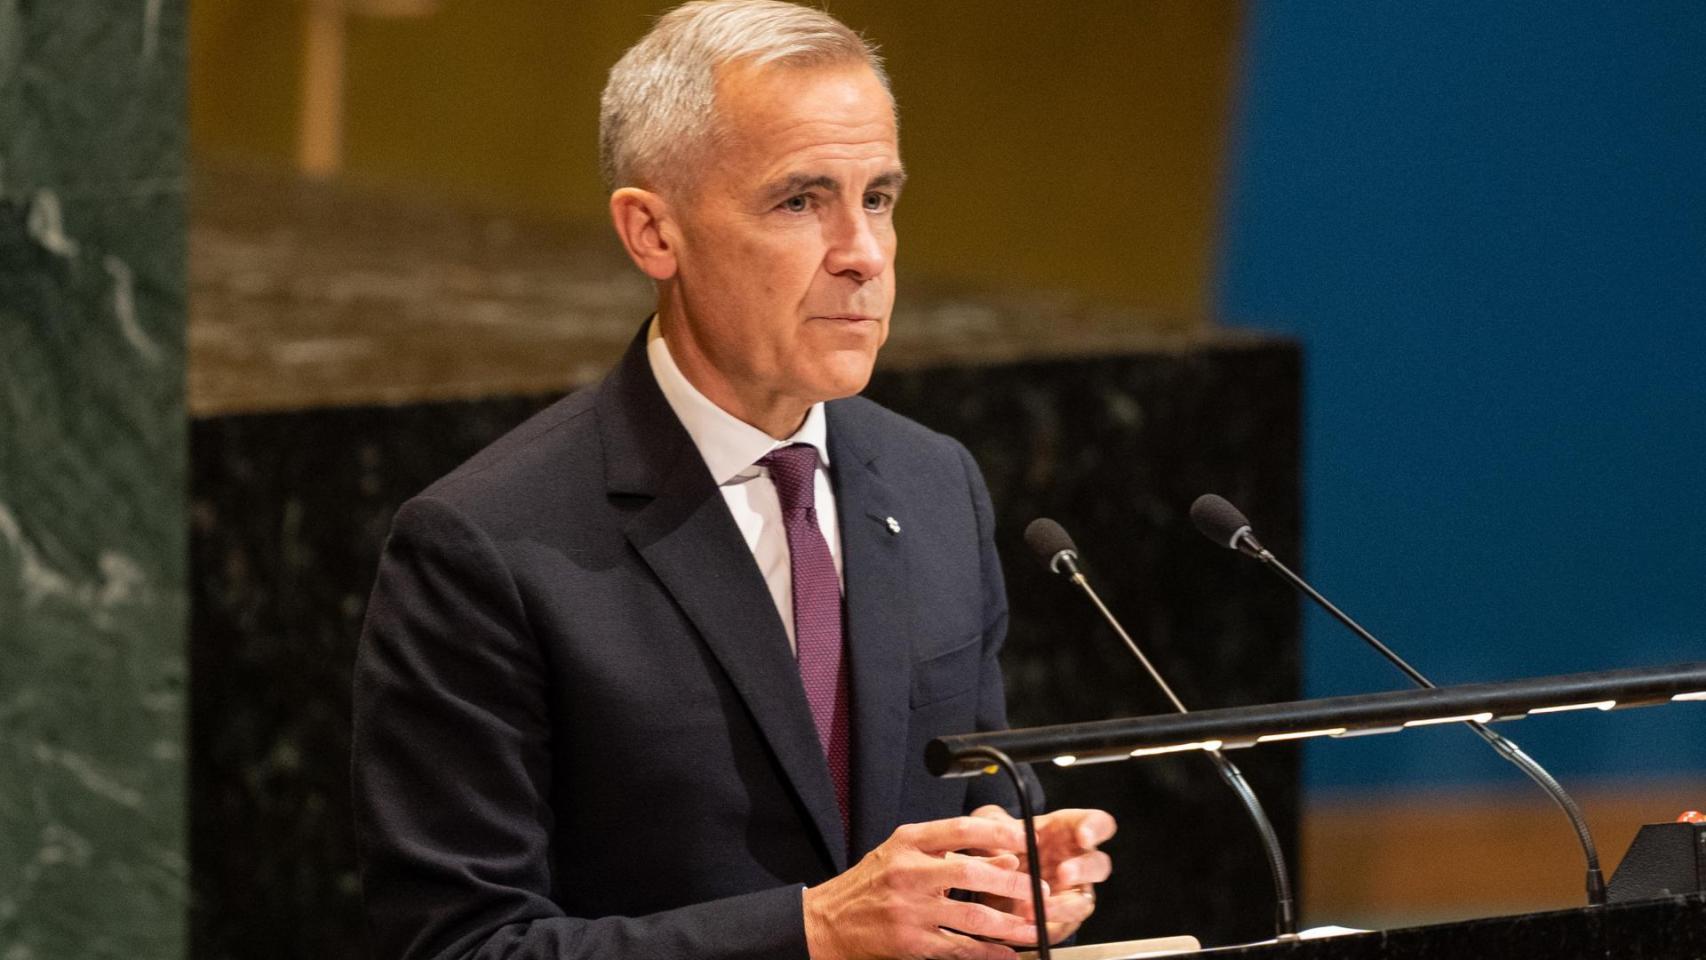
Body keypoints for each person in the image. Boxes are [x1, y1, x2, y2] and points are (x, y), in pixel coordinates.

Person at [351, 3, 1115, 959]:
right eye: (800, 201)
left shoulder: (934, 486)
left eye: (878, 197)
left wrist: (1009, 880)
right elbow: (461, 947)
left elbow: (968, 801)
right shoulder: (486, 543)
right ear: (652, 235)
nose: (864, 254)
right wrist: (813, 932)